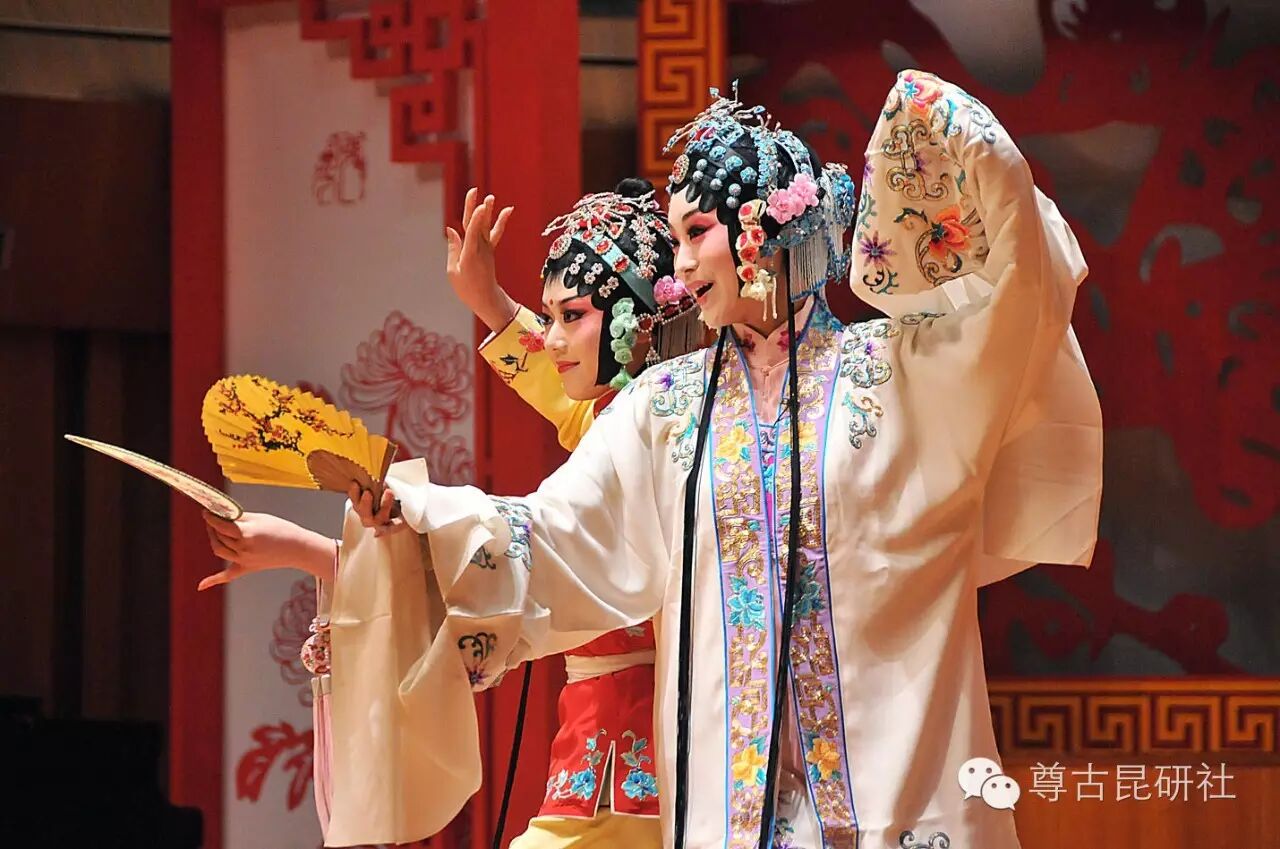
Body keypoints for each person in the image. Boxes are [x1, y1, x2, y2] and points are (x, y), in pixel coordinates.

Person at [208, 70, 1103, 849]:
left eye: (696, 231)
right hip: (722, 807)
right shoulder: (665, 410)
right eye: (674, 239)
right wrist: (418, 515)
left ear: (760, 231)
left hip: (897, 794)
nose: (678, 266)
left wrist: (966, 142)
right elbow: (552, 534)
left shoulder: (901, 376)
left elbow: (1019, 305)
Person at [201, 180, 701, 847]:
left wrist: (374, 522)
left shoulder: (665, 429)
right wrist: (489, 301)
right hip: (601, 759)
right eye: (547, 318)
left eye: (571, 315)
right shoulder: (620, 420)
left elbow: (522, 548)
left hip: (647, 764)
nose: (552, 339)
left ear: (638, 320)